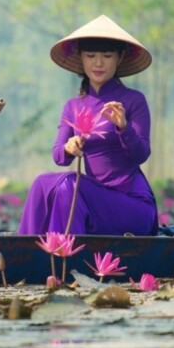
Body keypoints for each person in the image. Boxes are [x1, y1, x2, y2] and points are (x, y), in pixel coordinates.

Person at [17, 14, 159, 236]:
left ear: (119, 58)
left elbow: (141, 155)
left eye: (107, 55)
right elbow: (58, 156)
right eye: (91, 55)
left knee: (69, 187)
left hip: (131, 205)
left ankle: (65, 259)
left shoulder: (133, 100)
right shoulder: (73, 105)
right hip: (87, 201)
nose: (98, 63)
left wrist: (124, 128)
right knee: (41, 183)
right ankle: (26, 253)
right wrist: (69, 147)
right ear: (81, 59)